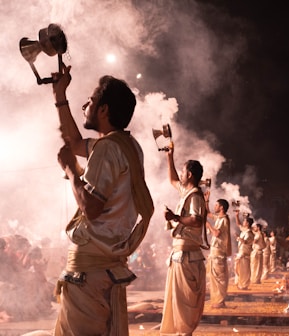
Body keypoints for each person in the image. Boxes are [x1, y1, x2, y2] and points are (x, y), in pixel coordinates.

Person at [51, 64, 154, 335]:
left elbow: (92, 208)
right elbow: (74, 142)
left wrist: (71, 170)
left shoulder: (108, 148)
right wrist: (60, 96)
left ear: (104, 109)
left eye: (92, 100)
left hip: (89, 273)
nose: (86, 104)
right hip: (105, 268)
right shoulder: (127, 146)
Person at [160, 150, 208, 335]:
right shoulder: (187, 192)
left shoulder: (195, 196)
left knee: (185, 300)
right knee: (180, 299)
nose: (180, 175)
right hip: (182, 255)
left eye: (182, 172)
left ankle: (185, 333)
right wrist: (169, 156)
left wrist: (175, 217)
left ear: (189, 175)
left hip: (187, 257)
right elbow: (172, 180)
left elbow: (196, 220)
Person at [205, 196, 232, 308]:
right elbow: (208, 214)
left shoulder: (223, 220)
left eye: (216, 205)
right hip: (215, 251)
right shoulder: (220, 218)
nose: (214, 206)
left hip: (218, 252)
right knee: (214, 277)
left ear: (221, 207)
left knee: (219, 277)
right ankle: (217, 300)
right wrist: (206, 201)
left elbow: (216, 233)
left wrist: (208, 226)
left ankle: (220, 301)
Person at [234, 211, 254, 290]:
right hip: (241, 253)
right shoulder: (244, 230)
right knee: (238, 269)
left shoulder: (249, 233)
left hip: (245, 254)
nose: (243, 222)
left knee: (244, 271)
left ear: (248, 224)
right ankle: (240, 284)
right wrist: (236, 215)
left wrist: (238, 237)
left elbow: (245, 241)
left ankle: (244, 285)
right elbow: (238, 224)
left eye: (244, 221)